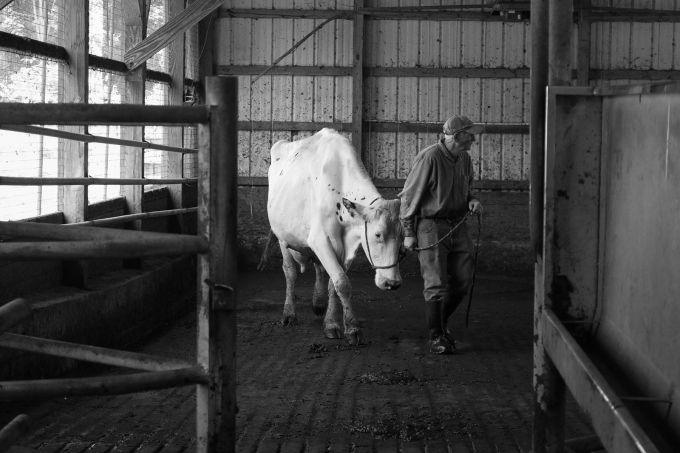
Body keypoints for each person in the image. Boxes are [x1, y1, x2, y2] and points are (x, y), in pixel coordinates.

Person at [398, 115, 483, 355]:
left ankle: (440, 323)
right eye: (470, 134)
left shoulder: (464, 159)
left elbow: (469, 190)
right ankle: (436, 336)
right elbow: (408, 196)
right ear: (456, 136)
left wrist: (473, 200)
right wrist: (408, 233)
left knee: (463, 280)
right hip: (431, 225)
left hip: (458, 224)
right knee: (435, 282)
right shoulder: (430, 157)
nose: (474, 139)